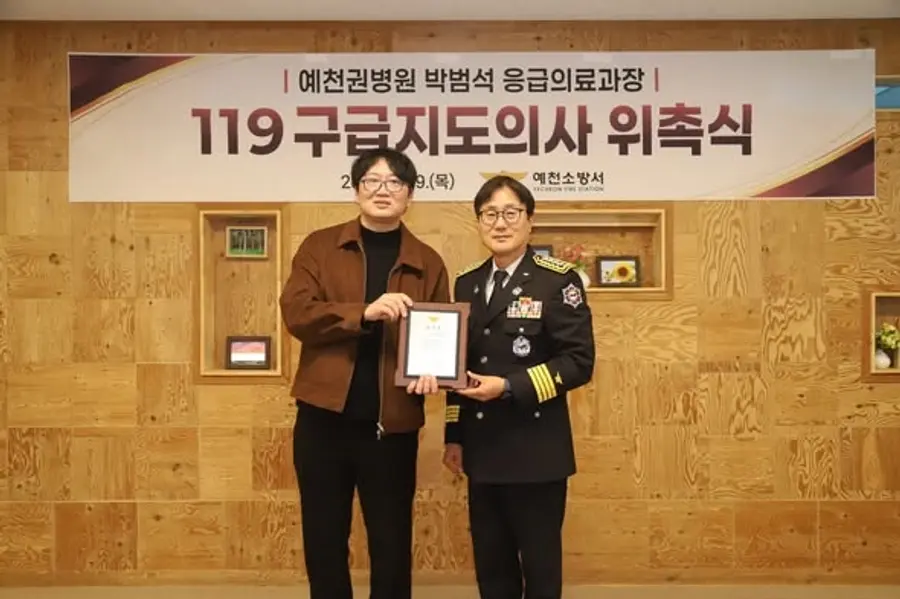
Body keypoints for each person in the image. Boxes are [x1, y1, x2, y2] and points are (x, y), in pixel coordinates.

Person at [279, 147, 450, 599]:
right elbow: (297, 314)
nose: (382, 190)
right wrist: (364, 312)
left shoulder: (428, 260)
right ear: (356, 190)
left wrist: (433, 373)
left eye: (395, 182)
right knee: (323, 536)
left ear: (409, 195)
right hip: (322, 419)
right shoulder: (320, 247)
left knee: (392, 542)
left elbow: (439, 332)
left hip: (392, 426)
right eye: (372, 180)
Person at [443, 175, 596, 599]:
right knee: (492, 570)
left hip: (536, 451)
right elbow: (461, 365)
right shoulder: (468, 282)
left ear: (530, 221)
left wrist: (509, 386)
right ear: (478, 222)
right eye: (489, 214)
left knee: (540, 569)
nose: (500, 223)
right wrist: (454, 435)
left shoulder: (557, 280)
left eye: (511, 213)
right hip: (482, 449)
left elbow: (578, 362)